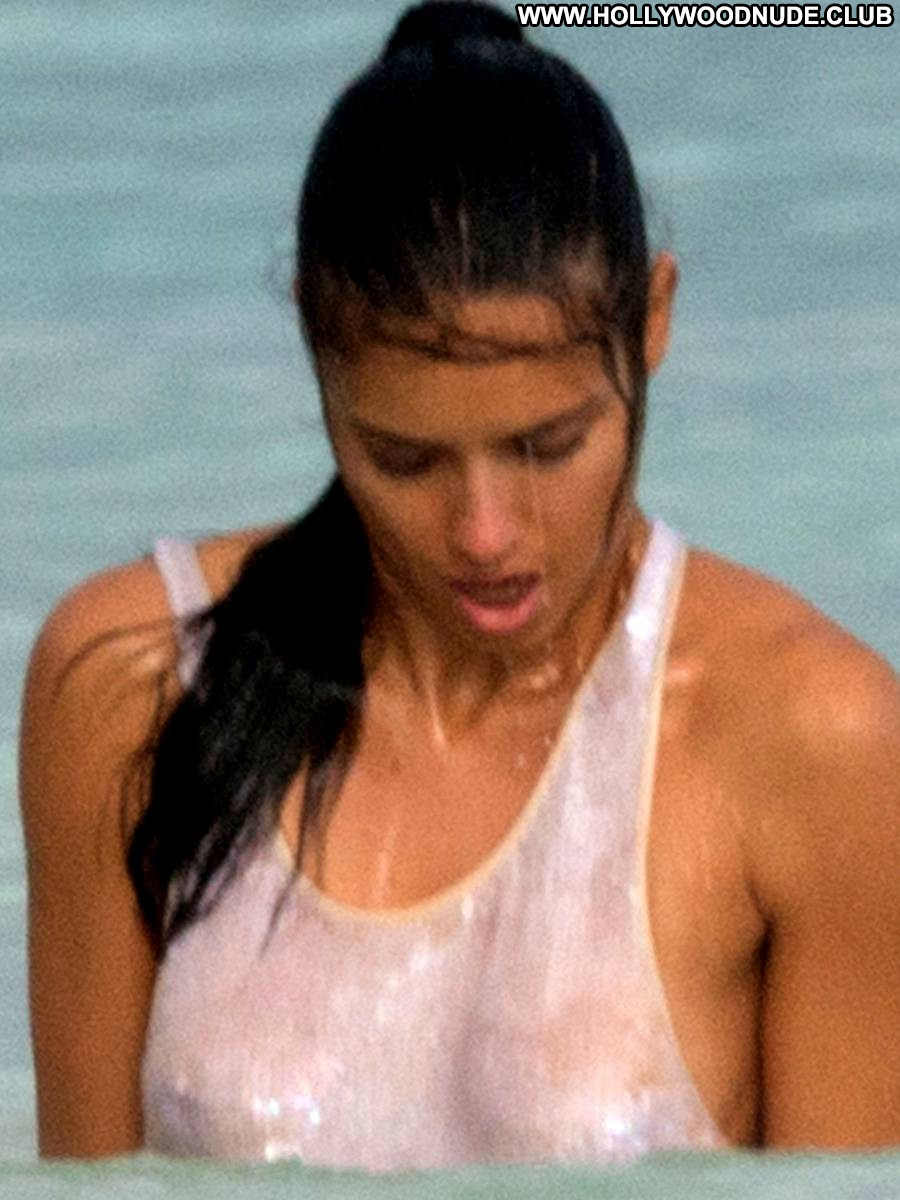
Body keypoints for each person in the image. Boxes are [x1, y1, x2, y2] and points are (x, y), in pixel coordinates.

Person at [19, 0, 899, 1169]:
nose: (484, 534)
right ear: (315, 347)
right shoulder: (135, 685)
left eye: (549, 445)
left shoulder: (816, 738)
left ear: (653, 322)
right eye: (406, 459)